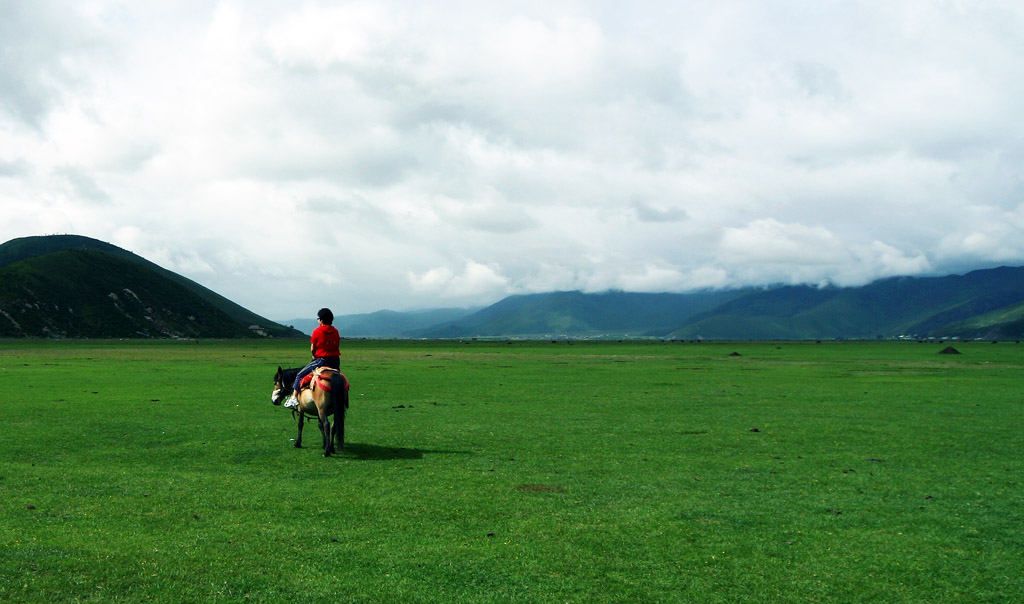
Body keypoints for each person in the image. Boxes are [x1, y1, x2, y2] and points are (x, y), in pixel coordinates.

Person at [285, 308, 341, 408]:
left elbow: (313, 348)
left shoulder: (317, 331)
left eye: (318, 318)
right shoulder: (336, 331)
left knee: (299, 375)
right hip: (335, 362)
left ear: (321, 320)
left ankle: (293, 398)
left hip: (322, 361)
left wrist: (314, 356)